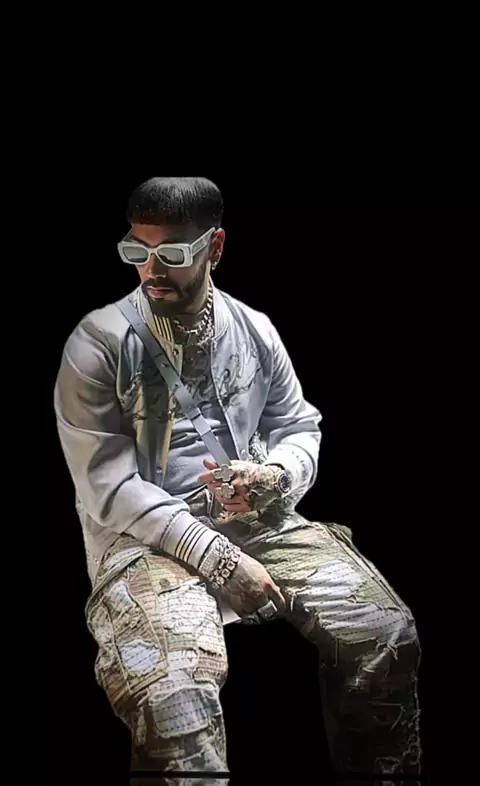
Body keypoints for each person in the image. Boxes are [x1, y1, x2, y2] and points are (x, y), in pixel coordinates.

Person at [54, 177, 421, 781]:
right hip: (143, 539)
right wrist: (220, 560)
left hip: (258, 522)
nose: (151, 270)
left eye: (173, 253)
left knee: (387, 631)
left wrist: (276, 474)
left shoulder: (253, 329)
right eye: (136, 250)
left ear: (215, 246)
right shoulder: (98, 345)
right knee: (175, 699)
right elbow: (107, 487)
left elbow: (299, 426)